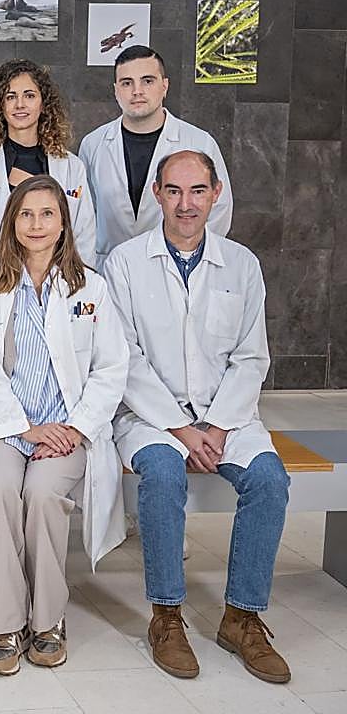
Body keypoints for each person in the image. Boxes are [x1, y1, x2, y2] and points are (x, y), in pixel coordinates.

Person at [104, 150, 290, 685]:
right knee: (161, 475)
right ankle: (166, 616)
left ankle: (242, 617)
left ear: (216, 193)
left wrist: (220, 425)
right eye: (175, 191)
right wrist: (180, 427)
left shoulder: (242, 265)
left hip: (226, 416)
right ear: (158, 194)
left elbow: (251, 356)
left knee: (270, 481)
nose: (186, 204)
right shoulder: (125, 263)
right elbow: (125, 356)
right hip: (149, 415)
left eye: (198, 191)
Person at [0, 176, 128, 675]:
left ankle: (48, 620)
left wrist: (76, 427)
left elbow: (111, 367)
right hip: (2, 425)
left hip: (66, 429)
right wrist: (23, 428)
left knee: (42, 497)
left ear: (63, 223)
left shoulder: (90, 286)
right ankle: (6, 624)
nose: (36, 225)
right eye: (26, 214)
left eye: (47, 214)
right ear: (12, 221)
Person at [78, 45, 233, 268]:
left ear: (164, 86)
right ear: (116, 90)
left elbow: (219, 210)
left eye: (147, 81)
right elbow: (83, 215)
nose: (137, 91)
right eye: (126, 83)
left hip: (175, 269)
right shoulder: (93, 144)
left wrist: (188, 258)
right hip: (107, 271)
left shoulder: (199, 143)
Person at [0, 59, 97, 288]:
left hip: (58, 287)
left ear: (43, 104)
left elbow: (83, 234)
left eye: (29, 95)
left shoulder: (71, 167)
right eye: (10, 97)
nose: (20, 104)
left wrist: (78, 289)